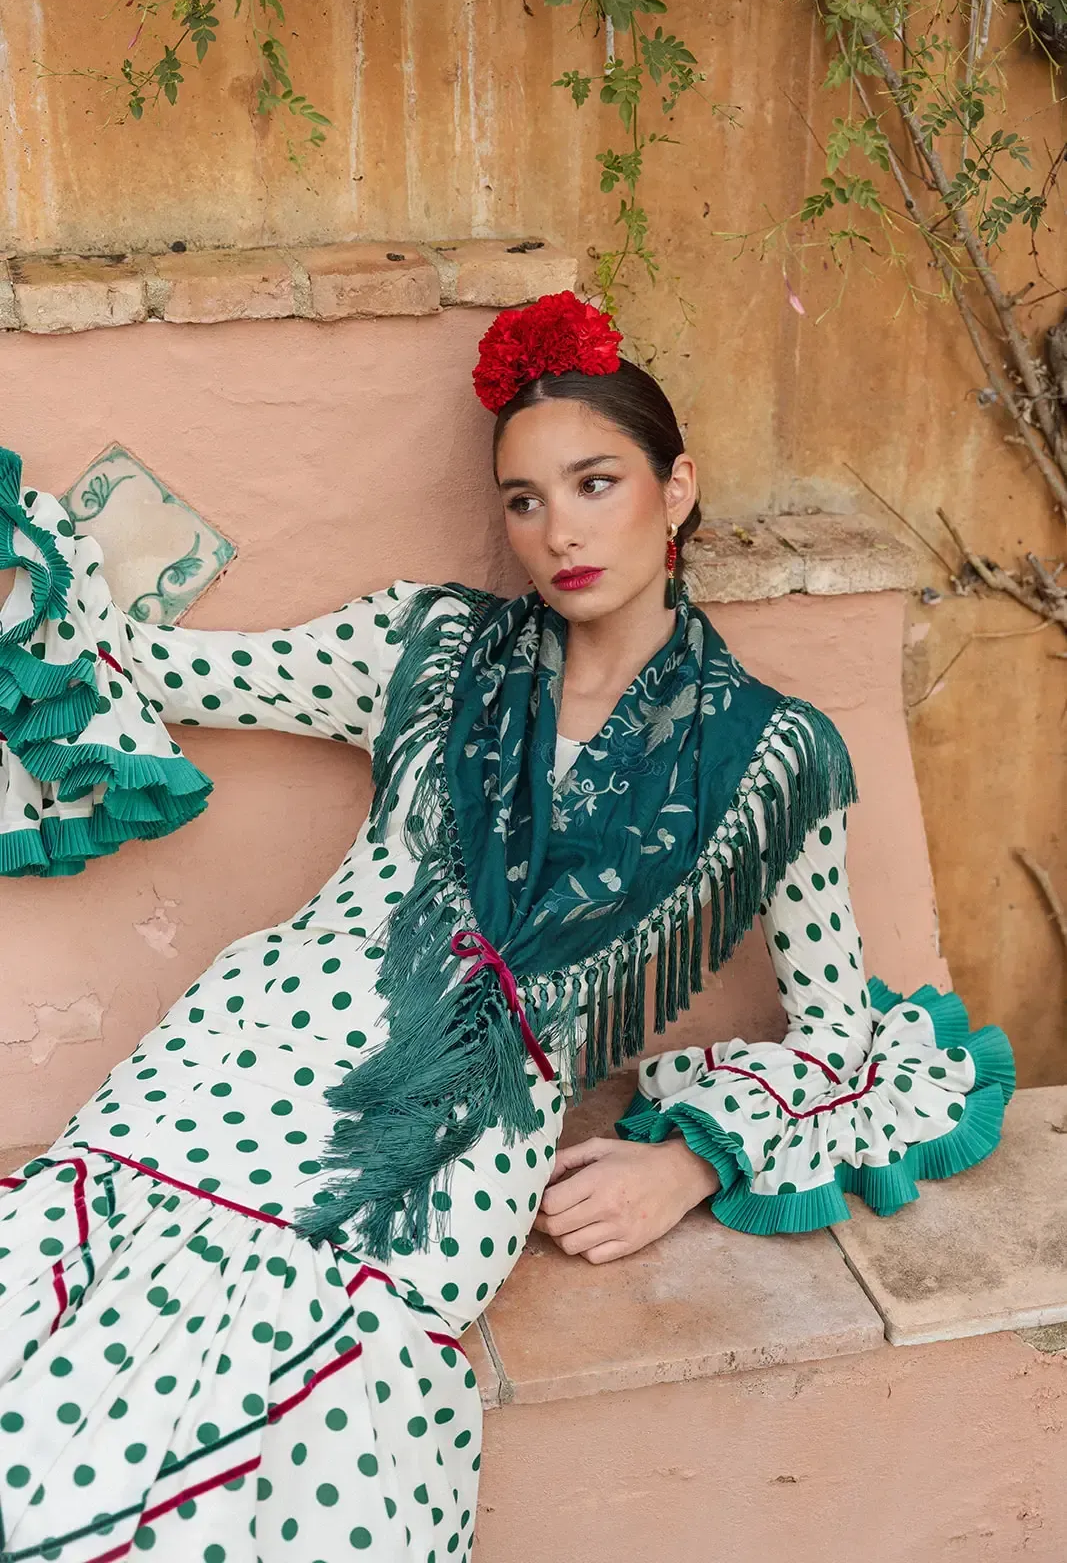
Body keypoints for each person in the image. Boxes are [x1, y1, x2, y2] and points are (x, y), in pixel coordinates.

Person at [0, 291, 1013, 1561]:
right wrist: (41, 572)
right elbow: (171, 673)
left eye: (594, 483)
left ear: (675, 487)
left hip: (449, 1138)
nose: (557, 532)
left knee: (278, 1475)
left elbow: (844, 1035)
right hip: (239, 1058)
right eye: (523, 500)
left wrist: (688, 1163)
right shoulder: (423, 647)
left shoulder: (773, 758)